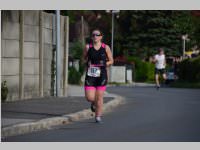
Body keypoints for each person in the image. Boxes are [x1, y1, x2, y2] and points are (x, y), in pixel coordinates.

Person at [83, 29, 113, 123]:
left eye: (97, 35)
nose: (95, 36)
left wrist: (105, 64)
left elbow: (111, 61)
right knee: (90, 97)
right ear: (92, 37)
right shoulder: (88, 47)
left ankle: (98, 116)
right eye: (93, 35)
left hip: (102, 74)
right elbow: (83, 59)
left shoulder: (106, 47)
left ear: (101, 37)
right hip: (91, 74)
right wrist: (86, 63)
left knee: (99, 97)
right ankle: (93, 103)